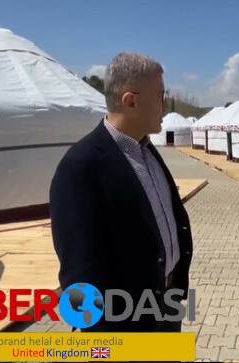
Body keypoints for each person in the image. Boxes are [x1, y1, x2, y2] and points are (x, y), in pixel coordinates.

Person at [49, 52, 193, 333]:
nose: (165, 107)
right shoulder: (81, 167)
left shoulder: (147, 150)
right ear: (131, 101)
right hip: (126, 325)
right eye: (161, 96)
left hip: (165, 304)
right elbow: (80, 274)